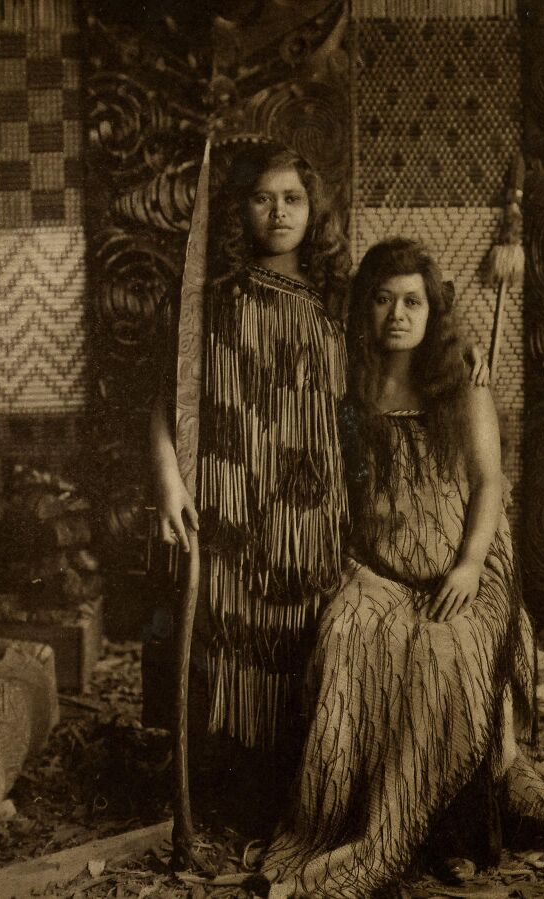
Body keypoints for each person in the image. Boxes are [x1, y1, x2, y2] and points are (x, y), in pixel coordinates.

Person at [149, 146, 490, 829]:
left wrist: (466, 354)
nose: (278, 212)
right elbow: (163, 400)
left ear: (314, 210)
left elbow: (409, 346)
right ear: (241, 208)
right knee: (227, 638)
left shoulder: (339, 300)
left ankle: (299, 789)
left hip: (311, 506)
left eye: (293, 198)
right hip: (228, 496)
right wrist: (166, 483)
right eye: (263, 198)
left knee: (307, 639)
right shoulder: (210, 300)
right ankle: (222, 790)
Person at [260, 239, 544, 897]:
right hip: (380, 560)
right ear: (364, 308)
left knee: (447, 648)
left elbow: (490, 485)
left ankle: (452, 835)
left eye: (412, 300)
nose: (397, 314)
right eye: (383, 299)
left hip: (465, 554)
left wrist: (467, 567)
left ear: (433, 309)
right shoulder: (346, 380)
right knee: (348, 635)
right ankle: (356, 819)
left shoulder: (462, 379)